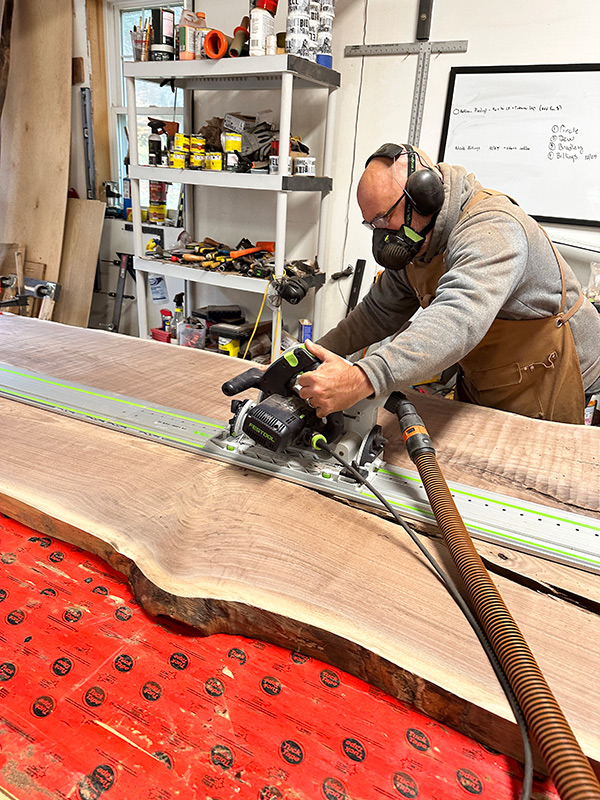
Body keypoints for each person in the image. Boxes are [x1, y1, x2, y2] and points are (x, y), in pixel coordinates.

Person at [298, 142, 600, 425]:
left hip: (556, 374)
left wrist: (364, 377)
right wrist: (309, 356)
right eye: (372, 224)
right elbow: (378, 312)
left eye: (384, 219)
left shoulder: (492, 228)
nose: (382, 234)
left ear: (423, 197)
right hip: (494, 377)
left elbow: (456, 320)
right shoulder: (418, 240)